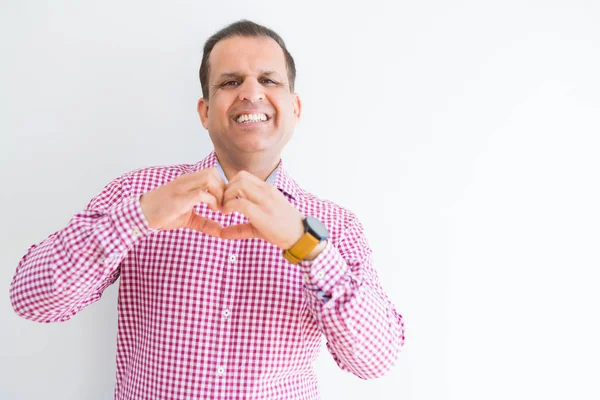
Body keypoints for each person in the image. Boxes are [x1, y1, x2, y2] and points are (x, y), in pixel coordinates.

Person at [10, 19, 405, 400]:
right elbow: (32, 299)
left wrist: (306, 245)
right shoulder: (139, 193)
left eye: (268, 80)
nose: (251, 93)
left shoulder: (333, 226)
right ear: (204, 111)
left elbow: (375, 360)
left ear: (295, 107)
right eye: (230, 82)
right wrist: (138, 218)